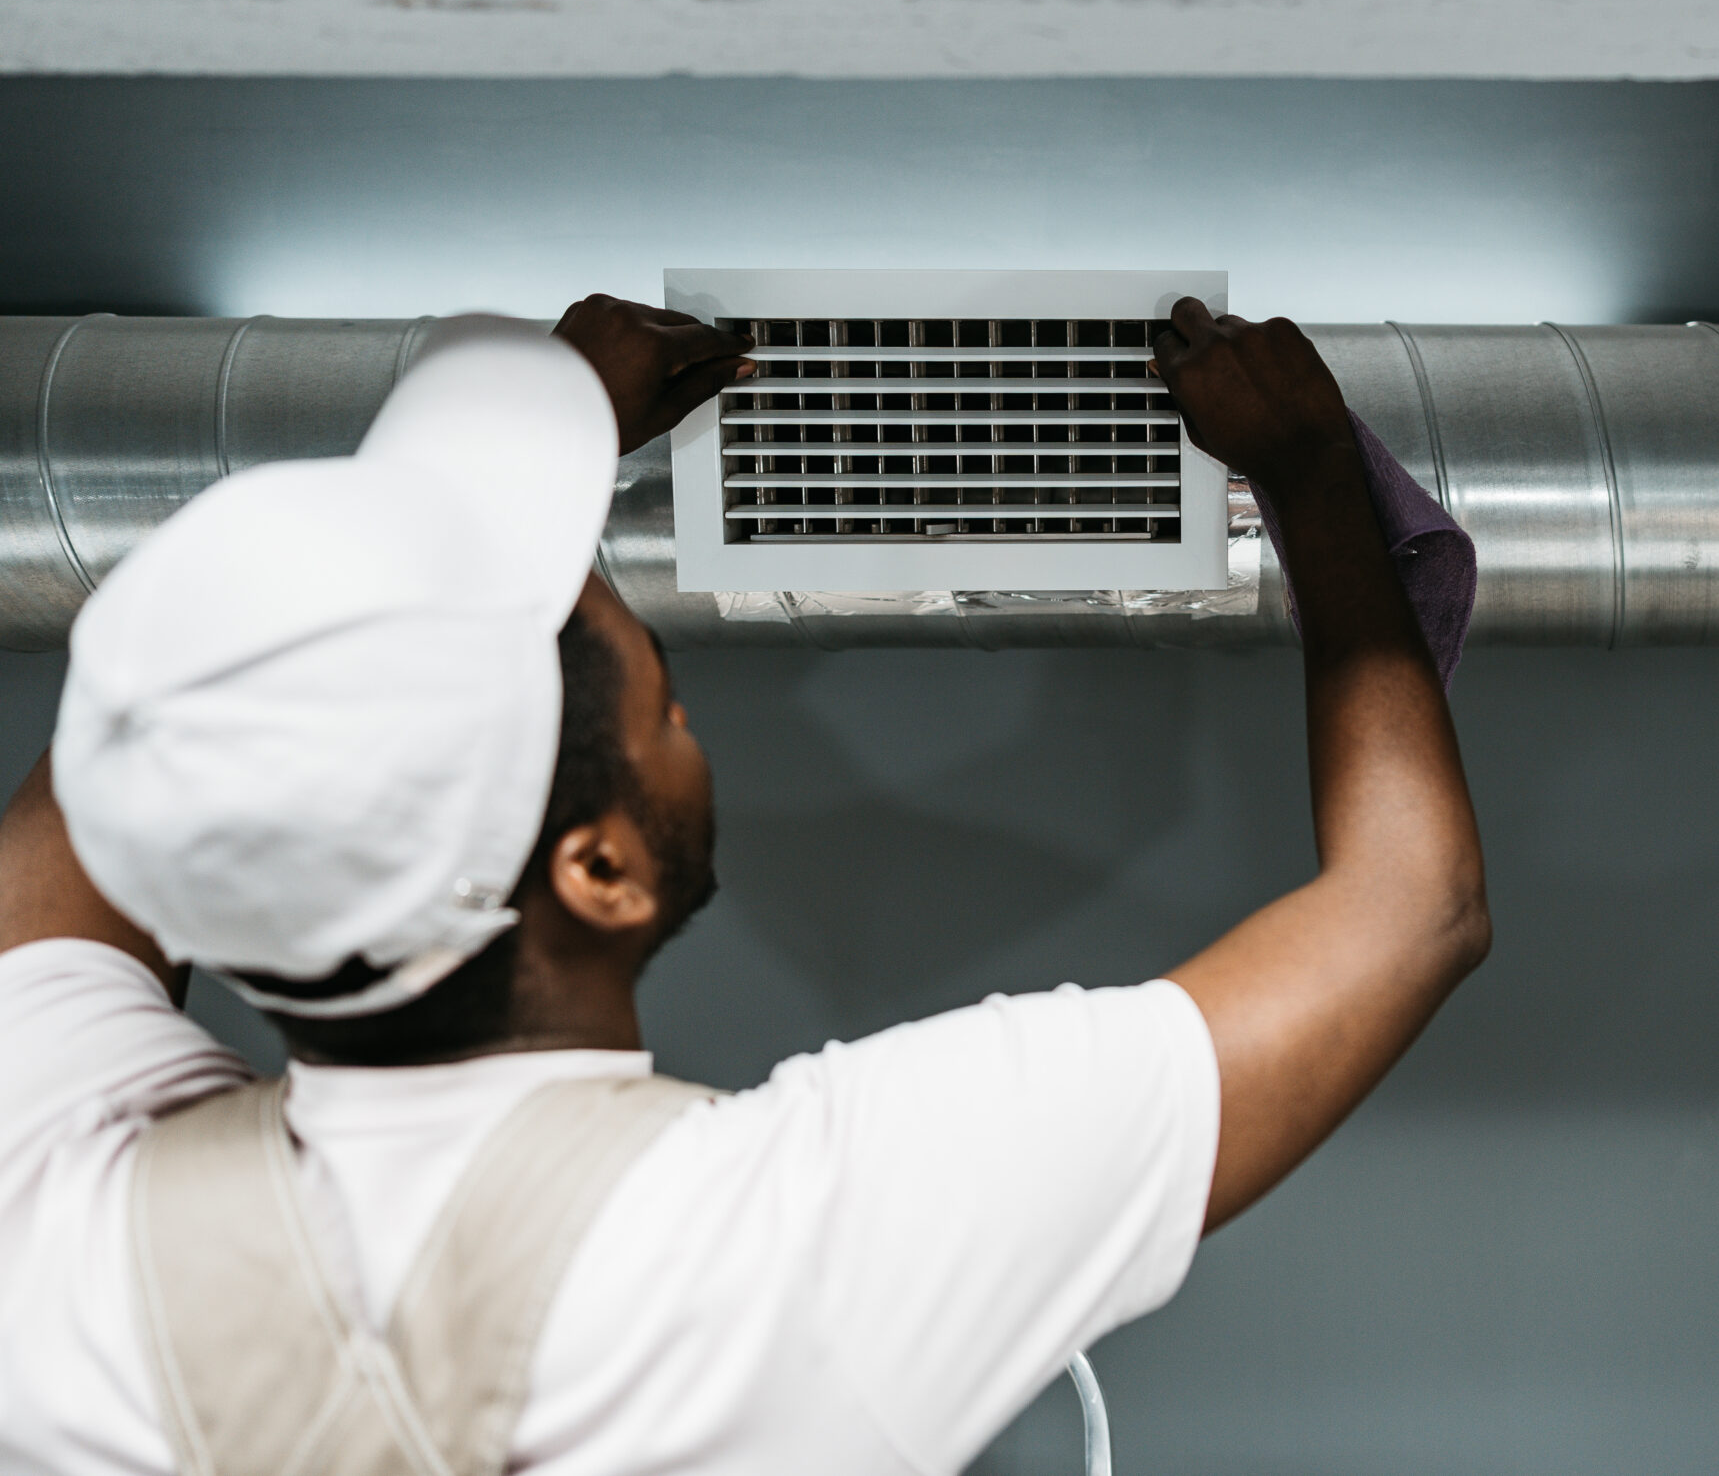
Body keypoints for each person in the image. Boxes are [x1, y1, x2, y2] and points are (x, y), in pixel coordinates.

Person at [0, 295, 1489, 1475]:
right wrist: (1312, 473)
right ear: (600, 869)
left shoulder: (50, 1213)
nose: (678, 703)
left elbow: (166, 734)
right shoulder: (781, 1256)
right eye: (661, 698)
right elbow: (1406, 905)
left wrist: (506, 469)